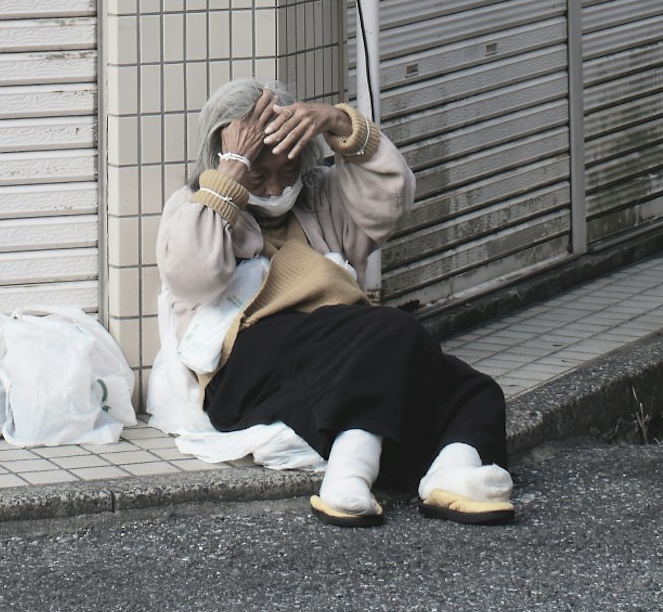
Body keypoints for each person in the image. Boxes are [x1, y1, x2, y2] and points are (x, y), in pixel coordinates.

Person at [151, 76, 517, 526]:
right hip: (247, 365)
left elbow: (391, 197)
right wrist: (231, 173)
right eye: (258, 174)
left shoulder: (319, 195)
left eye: (286, 171)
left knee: (472, 389)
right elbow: (194, 277)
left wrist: (340, 123)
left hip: (344, 350)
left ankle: (454, 477)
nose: (272, 188)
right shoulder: (195, 204)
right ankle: (347, 478)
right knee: (393, 332)